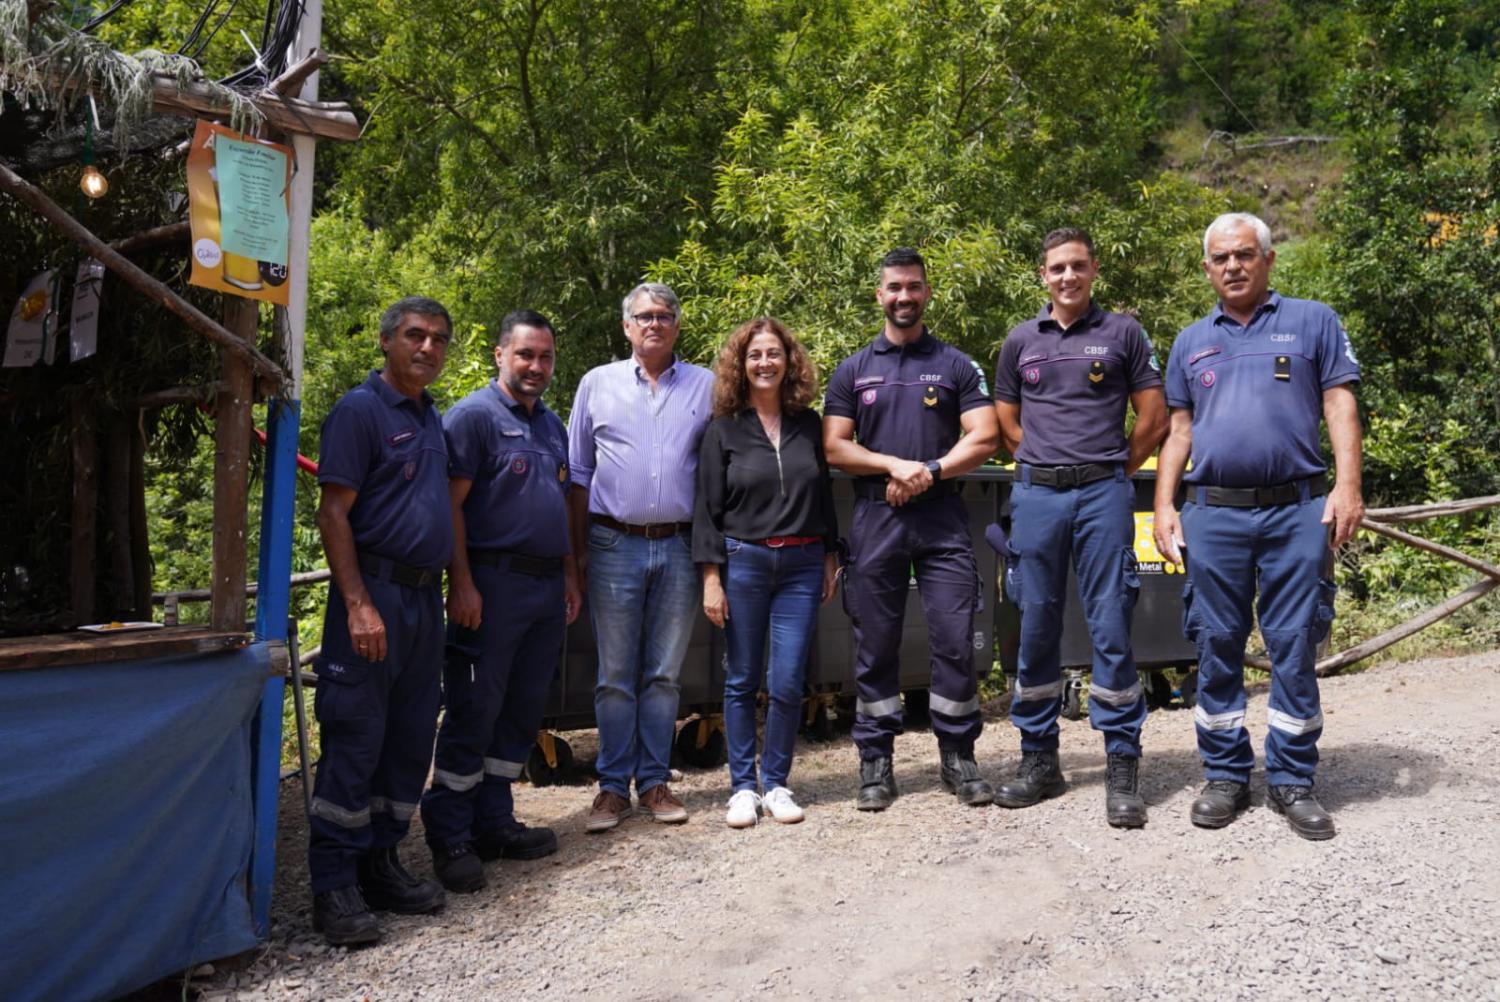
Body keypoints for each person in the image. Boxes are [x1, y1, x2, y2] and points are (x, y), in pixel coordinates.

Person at [1153, 212, 1363, 840]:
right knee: (1216, 641)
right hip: (1212, 513)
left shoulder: (1313, 322)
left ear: (1269, 259)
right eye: (1221, 258)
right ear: (1207, 267)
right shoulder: (1191, 341)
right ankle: (1224, 775)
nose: (1233, 266)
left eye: (1245, 254)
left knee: (1294, 642)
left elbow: (1338, 403)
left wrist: (1348, 486)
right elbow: (1178, 432)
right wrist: (1165, 506)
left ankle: (1293, 779)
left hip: (1296, 508)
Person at [991, 227, 1168, 828]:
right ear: (1042, 275)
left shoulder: (1123, 333)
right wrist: (1044, 463)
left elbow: (1153, 415)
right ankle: (1039, 760)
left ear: (1093, 270)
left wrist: (1117, 466)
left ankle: (1122, 765)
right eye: (1056, 268)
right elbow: (1008, 424)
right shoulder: (1020, 341)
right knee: (1035, 624)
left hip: (1103, 494)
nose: (1067, 277)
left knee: (1111, 623)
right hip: (1038, 496)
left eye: (1077, 266)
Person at [823, 247, 1001, 811]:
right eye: (894, 287)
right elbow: (835, 446)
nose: (904, 296)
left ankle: (958, 755)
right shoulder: (853, 369)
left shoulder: (955, 365)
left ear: (926, 293)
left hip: (942, 515)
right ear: (879, 295)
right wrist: (892, 467)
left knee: (954, 641)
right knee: (875, 643)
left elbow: (985, 436)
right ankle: (876, 762)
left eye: (914, 287)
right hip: (876, 516)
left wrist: (926, 471)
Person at [420, 310, 583, 892]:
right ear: (499, 355)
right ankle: (451, 835)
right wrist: (460, 583)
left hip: (543, 587)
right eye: (525, 356)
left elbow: (560, 505)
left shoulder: (551, 425)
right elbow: (451, 508)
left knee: (520, 710)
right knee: (474, 709)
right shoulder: (472, 418)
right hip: (491, 583)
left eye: (545, 357)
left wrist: (568, 575)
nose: (536, 367)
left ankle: (495, 822)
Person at [308, 296, 454, 946]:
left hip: (425, 603)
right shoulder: (359, 411)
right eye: (416, 336)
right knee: (357, 736)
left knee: (408, 739)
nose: (428, 348)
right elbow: (333, 513)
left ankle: (381, 864)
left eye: (439, 340)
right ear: (387, 340)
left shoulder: (431, 418)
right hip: (374, 598)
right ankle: (334, 887)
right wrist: (360, 603)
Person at [567, 282, 715, 831]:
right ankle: (611, 788)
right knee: (614, 674)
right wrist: (576, 554)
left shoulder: (706, 385)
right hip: (611, 543)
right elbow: (577, 473)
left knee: (663, 674)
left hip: (679, 543)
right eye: (643, 316)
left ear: (677, 325)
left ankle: (653, 782)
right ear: (626, 326)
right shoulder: (596, 383)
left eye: (664, 315)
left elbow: (718, 471)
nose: (654, 323)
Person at [693, 318, 840, 828]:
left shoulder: (808, 423)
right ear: (741, 364)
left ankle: (776, 783)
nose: (764, 363)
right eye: (755, 354)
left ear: (789, 361)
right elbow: (707, 509)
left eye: (774, 353)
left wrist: (829, 554)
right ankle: (741, 788)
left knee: (787, 678)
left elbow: (823, 496)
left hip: (801, 564)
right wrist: (711, 578)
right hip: (744, 562)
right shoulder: (722, 428)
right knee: (741, 677)